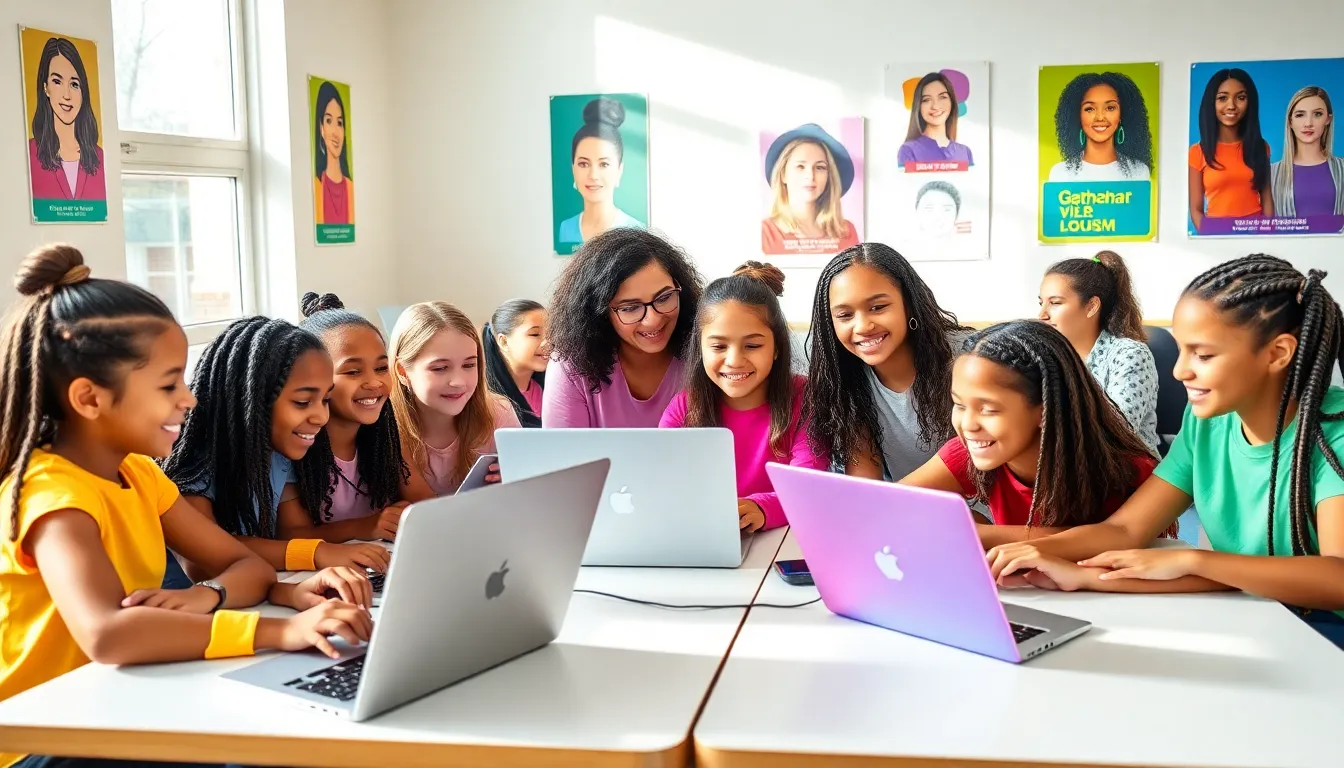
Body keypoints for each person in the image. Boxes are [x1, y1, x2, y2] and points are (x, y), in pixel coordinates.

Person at [0, 246, 372, 768]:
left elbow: (245, 566)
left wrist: (218, 597)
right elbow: (108, 634)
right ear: (90, 399)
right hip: (46, 743)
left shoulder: (138, 472)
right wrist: (280, 631)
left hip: (116, 706)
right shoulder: (54, 494)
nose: (189, 399)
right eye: (168, 384)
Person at [986, 255, 1344, 648]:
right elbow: (1124, 529)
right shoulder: (1208, 422)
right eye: (1181, 351)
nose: (1179, 371)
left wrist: (1193, 559)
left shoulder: (1334, 435)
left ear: (1278, 353)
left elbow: (1337, 578)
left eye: (1203, 355)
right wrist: (1035, 556)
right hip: (1259, 621)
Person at [163, 317, 391, 575]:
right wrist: (316, 553)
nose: (321, 417)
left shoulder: (280, 453)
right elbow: (201, 560)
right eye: (303, 402)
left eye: (325, 400)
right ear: (250, 400)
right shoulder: (196, 459)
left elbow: (288, 534)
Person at [900, 321, 1159, 548]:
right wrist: (967, 525)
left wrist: (984, 535)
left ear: (1045, 410)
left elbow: (1123, 537)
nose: (968, 424)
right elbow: (883, 506)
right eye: (959, 404)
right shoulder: (967, 451)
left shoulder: (1129, 472)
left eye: (988, 409)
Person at [659, 262, 827, 532]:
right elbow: (662, 486)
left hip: (785, 538)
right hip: (704, 535)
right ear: (701, 348)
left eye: (752, 345)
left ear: (776, 348)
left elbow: (808, 488)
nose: (735, 360)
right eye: (718, 346)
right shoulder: (683, 408)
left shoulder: (806, 399)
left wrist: (762, 508)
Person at [803, 243, 969, 481]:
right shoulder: (846, 380)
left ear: (909, 304)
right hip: (911, 510)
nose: (862, 327)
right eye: (845, 315)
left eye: (878, 307)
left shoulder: (967, 358)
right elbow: (865, 484)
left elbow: (970, 457)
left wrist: (897, 498)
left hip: (988, 513)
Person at [282, 293, 410, 544]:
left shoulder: (387, 436)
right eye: (353, 371)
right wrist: (366, 526)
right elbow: (290, 533)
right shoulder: (294, 446)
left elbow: (418, 499)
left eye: (382, 368)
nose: (374, 382)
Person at [543, 228, 703, 428]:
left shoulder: (705, 353)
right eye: (630, 308)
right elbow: (563, 456)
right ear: (599, 313)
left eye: (664, 298)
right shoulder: (572, 365)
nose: (652, 320)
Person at [389, 302, 520, 498]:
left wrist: (515, 478)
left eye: (468, 365)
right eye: (440, 368)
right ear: (402, 371)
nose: (458, 382)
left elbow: (527, 489)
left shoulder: (498, 412)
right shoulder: (389, 427)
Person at [1038, 251, 1159, 452]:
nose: (1042, 314)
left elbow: (1117, 432)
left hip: (1126, 470)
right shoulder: (1044, 356)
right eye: (1041, 302)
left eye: (1055, 303)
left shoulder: (1129, 355)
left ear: (1091, 306)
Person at [1189, 68, 1273, 231]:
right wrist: (1211, 235)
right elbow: (1195, 210)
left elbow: (1267, 199)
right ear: (1211, 103)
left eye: (1240, 98)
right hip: (1216, 235)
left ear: (1250, 102)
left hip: (1257, 232)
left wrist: (1267, 234)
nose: (1231, 106)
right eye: (1222, 98)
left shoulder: (1261, 147)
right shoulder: (1197, 152)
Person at [760, 124, 861, 255]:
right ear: (783, 174)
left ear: (829, 177)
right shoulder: (765, 232)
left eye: (820, 167)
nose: (810, 176)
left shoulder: (847, 231)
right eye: (800, 166)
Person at [557, 97, 644, 248]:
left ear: (619, 170)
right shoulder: (565, 228)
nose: (593, 175)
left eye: (604, 164)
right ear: (573, 169)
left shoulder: (636, 231)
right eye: (583, 164)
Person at [27, 37, 106, 203]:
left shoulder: (100, 157)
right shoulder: (29, 153)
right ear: (45, 88)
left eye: (74, 84)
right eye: (57, 81)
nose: (67, 95)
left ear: (83, 91)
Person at [1048, 72, 1153, 182]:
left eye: (1110, 108)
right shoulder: (1061, 173)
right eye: (1089, 109)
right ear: (1077, 115)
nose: (1100, 117)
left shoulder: (1138, 171)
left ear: (1123, 114)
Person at [1270, 86, 1344, 217]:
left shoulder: (1342, 168)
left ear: (1328, 119)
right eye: (1300, 115)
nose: (1308, 123)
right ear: (1290, 121)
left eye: (1317, 114)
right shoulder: (1271, 174)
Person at [482, 299, 548, 428]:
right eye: (535, 334)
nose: (548, 342)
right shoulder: (487, 399)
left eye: (551, 334)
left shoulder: (551, 389)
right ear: (504, 342)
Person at [897, 72, 975, 169]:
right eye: (926, 100)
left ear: (952, 102)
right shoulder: (908, 150)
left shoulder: (965, 152)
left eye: (942, 97)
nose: (935, 106)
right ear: (918, 106)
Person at [313, 81, 353, 226]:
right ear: (321, 127)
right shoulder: (316, 186)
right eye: (329, 121)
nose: (336, 132)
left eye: (340, 123)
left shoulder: (350, 187)